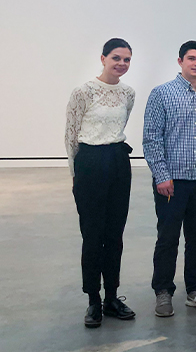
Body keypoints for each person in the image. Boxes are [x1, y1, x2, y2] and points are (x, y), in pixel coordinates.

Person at [143, 41, 196, 318]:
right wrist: (161, 175)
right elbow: (152, 138)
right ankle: (163, 291)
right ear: (180, 61)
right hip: (171, 183)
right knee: (168, 238)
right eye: (191, 58)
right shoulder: (162, 94)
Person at [65, 38, 137, 328]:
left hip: (118, 160)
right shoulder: (83, 92)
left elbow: (120, 125)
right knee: (93, 234)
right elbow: (71, 136)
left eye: (127, 59)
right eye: (116, 58)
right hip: (90, 162)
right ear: (103, 58)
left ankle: (112, 297)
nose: (121, 63)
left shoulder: (128, 93)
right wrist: (75, 174)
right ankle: (93, 300)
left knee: (115, 234)